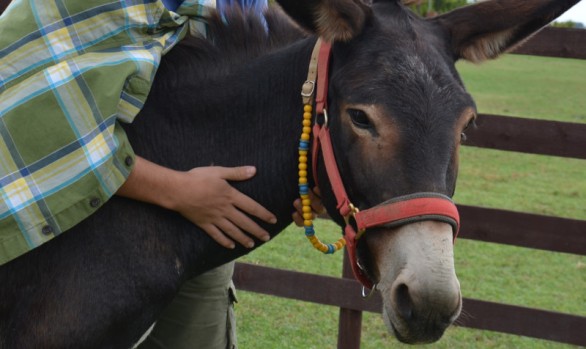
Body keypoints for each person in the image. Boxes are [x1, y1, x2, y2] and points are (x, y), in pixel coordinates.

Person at [0, 0, 320, 348]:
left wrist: (303, 181)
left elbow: (255, 98)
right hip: (77, 226)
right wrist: (179, 191)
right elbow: (44, 123)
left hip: (204, 239)